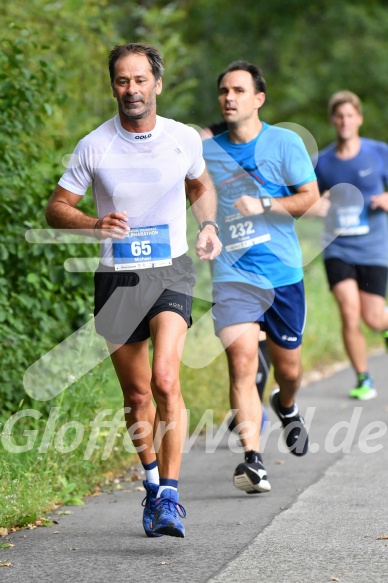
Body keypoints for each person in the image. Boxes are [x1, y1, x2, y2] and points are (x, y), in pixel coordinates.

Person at [45, 42, 222, 538]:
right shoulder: (94, 145)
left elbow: (200, 186)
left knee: (166, 380)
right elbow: (56, 208)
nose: (132, 90)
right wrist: (93, 223)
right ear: (113, 87)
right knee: (138, 393)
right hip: (117, 278)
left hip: (170, 270)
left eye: (140, 80)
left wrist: (208, 227)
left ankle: (170, 495)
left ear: (157, 84)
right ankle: (150, 483)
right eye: (122, 81)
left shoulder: (183, 138)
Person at [203, 60, 320, 494]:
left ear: (258, 98)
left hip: (283, 274)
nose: (229, 98)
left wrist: (266, 205)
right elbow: (196, 197)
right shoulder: (208, 152)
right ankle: (253, 460)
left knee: (288, 371)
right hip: (233, 275)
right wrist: (207, 229)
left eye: (237, 90)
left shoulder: (284, 142)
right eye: (223, 91)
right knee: (241, 362)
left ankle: (285, 405)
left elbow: (309, 198)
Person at [314, 90, 388, 400]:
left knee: (373, 317)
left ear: (358, 118)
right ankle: (363, 378)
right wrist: (319, 203)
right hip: (338, 247)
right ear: (333, 120)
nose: (344, 121)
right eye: (339, 116)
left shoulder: (378, 152)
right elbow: (310, 200)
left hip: (373, 245)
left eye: (349, 116)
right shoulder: (323, 162)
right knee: (349, 310)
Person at [200, 120, 271, 430]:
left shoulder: (244, 172)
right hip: (227, 276)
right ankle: (250, 408)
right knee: (241, 351)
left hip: (265, 271)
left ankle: (258, 403)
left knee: (259, 344)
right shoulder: (204, 180)